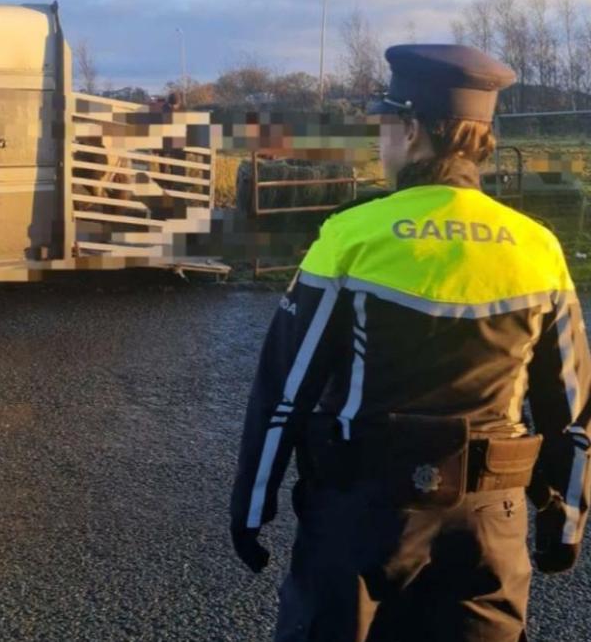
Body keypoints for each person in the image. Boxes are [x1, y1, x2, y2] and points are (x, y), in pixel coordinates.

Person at [229, 44, 591, 642]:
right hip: (488, 528)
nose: (380, 141)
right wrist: (567, 515)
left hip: (361, 517)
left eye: (385, 125)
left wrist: (252, 504)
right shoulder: (538, 246)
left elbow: (285, 391)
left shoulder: (351, 236)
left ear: (415, 129)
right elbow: (571, 408)